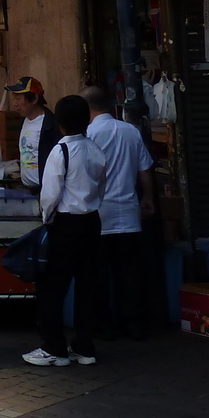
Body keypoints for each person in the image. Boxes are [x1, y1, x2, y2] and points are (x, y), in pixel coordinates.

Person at [24, 94, 108, 367]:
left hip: (65, 223)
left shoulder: (60, 151)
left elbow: (49, 194)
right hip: (92, 221)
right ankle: (84, 347)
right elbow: (101, 186)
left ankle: (54, 347)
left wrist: (47, 220)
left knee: (51, 287)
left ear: (59, 123)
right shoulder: (95, 149)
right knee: (87, 285)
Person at [83, 85, 156, 340]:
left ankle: (103, 326)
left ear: (87, 109)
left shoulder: (87, 135)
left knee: (98, 274)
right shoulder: (130, 131)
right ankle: (134, 325)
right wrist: (147, 198)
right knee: (130, 273)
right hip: (128, 214)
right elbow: (144, 169)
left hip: (98, 216)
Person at [7, 76, 60, 190]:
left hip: (44, 190)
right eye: (14, 98)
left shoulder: (50, 125)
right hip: (26, 188)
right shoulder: (24, 120)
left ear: (34, 99)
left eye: (18, 98)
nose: (15, 104)